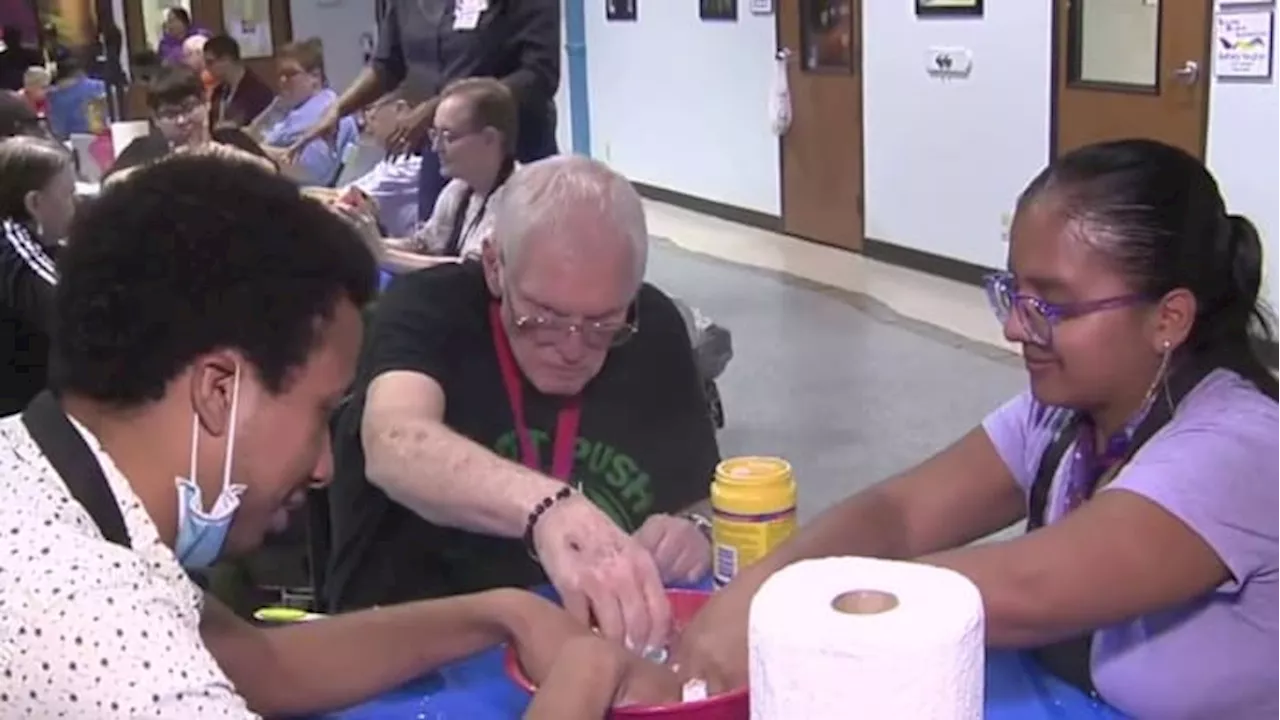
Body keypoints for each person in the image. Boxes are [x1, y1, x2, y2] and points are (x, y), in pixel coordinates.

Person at [0, 151, 678, 718]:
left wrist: (506, 614)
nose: (326, 466)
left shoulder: (46, 479)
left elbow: (256, 662)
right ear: (218, 390)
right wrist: (590, 670)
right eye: (324, 412)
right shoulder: (94, 623)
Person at [674, 139, 1280, 720]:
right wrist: (754, 589)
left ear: (1168, 319)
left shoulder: (1241, 449)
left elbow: (1032, 588)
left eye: (1051, 305)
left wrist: (788, 604)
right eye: (1014, 292)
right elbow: (900, 513)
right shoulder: (1063, 414)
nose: (1015, 327)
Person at [325, 156, 721, 650]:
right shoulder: (429, 308)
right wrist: (549, 508)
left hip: (592, 644)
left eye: (603, 323)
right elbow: (395, 441)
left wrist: (696, 528)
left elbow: (707, 496)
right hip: (423, 652)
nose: (573, 347)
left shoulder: (653, 324)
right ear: (494, 266)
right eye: (544, 317)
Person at [289, 0, 560, 219]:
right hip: (444, 155)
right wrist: (338, 109)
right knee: (438, 255)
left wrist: (442, 105)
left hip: (513, 150)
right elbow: (387, 65)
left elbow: (539, 74)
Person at [383, 76, 519, 274]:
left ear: (490, 138)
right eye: (434, 135)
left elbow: (471, 272)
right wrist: (362, 239)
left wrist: (382, 255)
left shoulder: (519, 199)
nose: (436, 147)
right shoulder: (458, 189)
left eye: (447, 136)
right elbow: (426, 244)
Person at [0, 136, 75, 417]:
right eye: (68, 194)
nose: (75, 204)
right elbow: (72, 314)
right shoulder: (13, 247)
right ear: (34, 203)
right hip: (16, 414)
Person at [253, 38, 357, 186]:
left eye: (290, 74)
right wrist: (268, 112)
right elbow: (254, 134)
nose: (282, 81)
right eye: (280, 75)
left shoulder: (328, 113)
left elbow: (312, 171)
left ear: (315, 76)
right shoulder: (288, 108)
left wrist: (255, 151)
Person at [204, 33, 274, 128]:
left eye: (210, 62)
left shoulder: (259, 92)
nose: (207, 68)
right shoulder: (218, 92)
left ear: (226, 59)